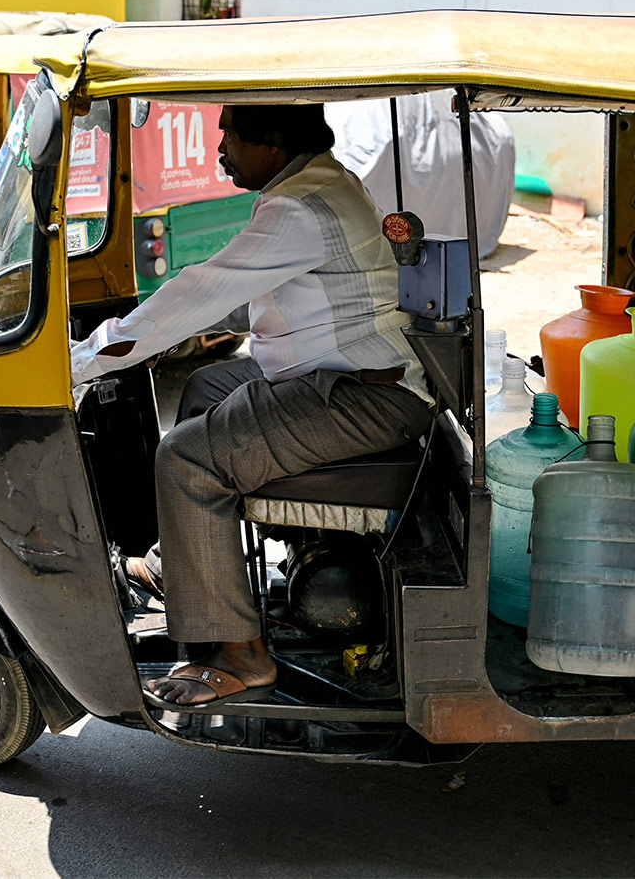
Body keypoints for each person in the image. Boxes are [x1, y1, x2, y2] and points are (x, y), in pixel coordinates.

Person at [71, 103, 431, 708]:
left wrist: (87, 360)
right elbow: (263, 295)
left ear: (272, 144)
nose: (220, 148)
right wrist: (158, 336)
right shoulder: (320, 181)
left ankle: (239, 653)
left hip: (367, 397)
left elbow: (204, 288)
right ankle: (186, 564)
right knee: (206, 389)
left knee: (185, 460)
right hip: (344, 373)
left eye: (229, 135)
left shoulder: (299, 208)